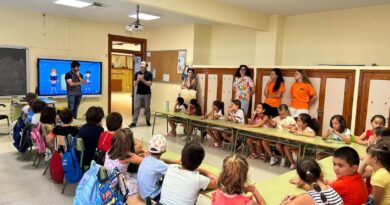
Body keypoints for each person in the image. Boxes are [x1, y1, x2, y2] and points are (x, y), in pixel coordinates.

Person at [104, 128, 144, 205]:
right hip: (119, 185)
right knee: (140, 181)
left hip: (109, 179)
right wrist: (144, 154)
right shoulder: (125, 158)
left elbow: (131, 153)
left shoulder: (111, 150)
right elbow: (143, 161)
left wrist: (142, 150)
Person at [137, 134, 176, 202]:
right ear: (164, 150)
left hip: (142, 194)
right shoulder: (160, 164)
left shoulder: (146, 158)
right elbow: (174, 171)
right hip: (152, 197)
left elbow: (159, 162)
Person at [359, 138, 390, 205]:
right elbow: (358, 175)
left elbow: (376, 203)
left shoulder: (380, 175)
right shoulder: (377, 170)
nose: (365, 156)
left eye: (367, 154)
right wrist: (365, 163)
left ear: (375, 159)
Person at [129, 61, 153, 128]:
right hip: (139, 93)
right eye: (141, 64)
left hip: (147, 94)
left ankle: (148, 121)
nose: (141, 65)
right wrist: (138, 80)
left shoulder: (149, 74)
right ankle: (134, 122)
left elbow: (149, 84)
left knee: (147, 108)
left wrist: (142, 80)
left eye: (143, 64)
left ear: (146, 66)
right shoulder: (137, 73)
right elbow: (134, 84)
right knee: (137, 108)